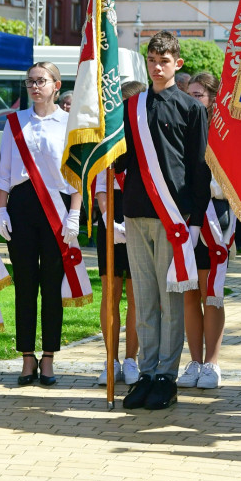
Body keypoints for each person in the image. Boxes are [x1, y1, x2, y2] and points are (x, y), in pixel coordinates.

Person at [117, 31, 210, 411]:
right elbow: (122, 160)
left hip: (173, 216)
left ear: (178, 64)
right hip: (136, 210)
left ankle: (166, 376)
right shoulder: (132, 107)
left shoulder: (191, 108)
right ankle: (146, 371)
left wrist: (196, 221)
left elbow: (198, 167)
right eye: (152, 60)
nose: (157, 67)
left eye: (165, 60)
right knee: (143, 295)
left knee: (170, 300)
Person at [0, 61, 83, 387]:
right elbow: (5, 171)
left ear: (56, 85)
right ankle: (26, 358)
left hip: (56, 209)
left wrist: (74, 212)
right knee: (26, 286)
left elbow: (76, 175)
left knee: (51, 285)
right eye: (31, 81)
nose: (35, 86)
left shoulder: (68, 123)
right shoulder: (15, 122)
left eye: (42, 81)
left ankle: (48, 357)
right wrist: (0, 211)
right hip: (21, 207)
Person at [178, 72, 234, 390]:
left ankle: (212, 363)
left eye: (198, 95)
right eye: (189, 93)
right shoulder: (184, 128)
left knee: (210, 292)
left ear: (213, 98)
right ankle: (194, 362)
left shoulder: (223, 133)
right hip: (187, 218)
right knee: (189, 293)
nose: (192, 99)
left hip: (215, 215)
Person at [94, 80, 146, 387]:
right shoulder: (109, 140)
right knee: (111, 292)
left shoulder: (147, 138)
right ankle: (110, 359)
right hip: (112, 214)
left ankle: (131, 359)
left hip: (140, 214)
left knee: (137, 292)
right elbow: (102, 187)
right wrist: (109, 222)